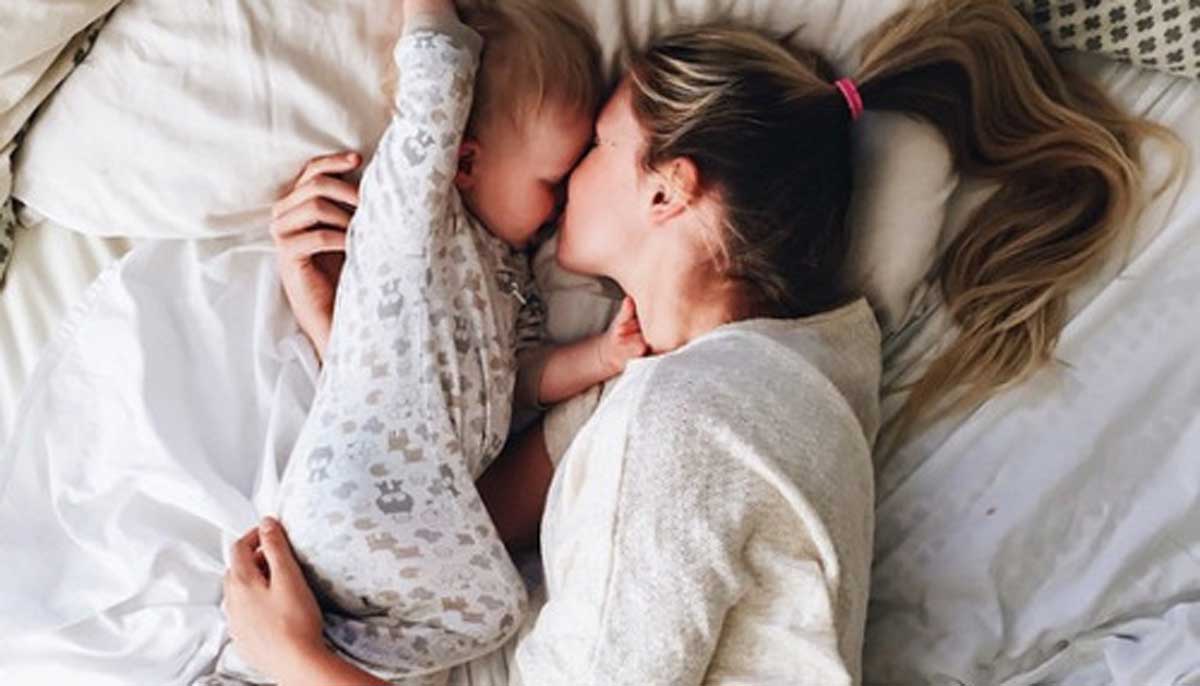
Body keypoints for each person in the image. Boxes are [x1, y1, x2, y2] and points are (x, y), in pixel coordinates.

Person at [220, 0, 1161, 683]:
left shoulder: (681, 424)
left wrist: (298, 663)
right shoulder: (787, 363)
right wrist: (352, 329)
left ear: (668, 189)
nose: (568, 178)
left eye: (597, 146)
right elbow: (470, 504)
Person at [198, 0, 628, 683]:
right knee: (498, 609)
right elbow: (434, 76)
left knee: (483, 611)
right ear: (464, 160)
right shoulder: (416, 219)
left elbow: (517, 384)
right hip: (365, 479)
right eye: (552, 183)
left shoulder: (509, 279)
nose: (561, 206)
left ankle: (275, 666)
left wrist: (600, 358)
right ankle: (292, 660)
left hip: (387, 494)